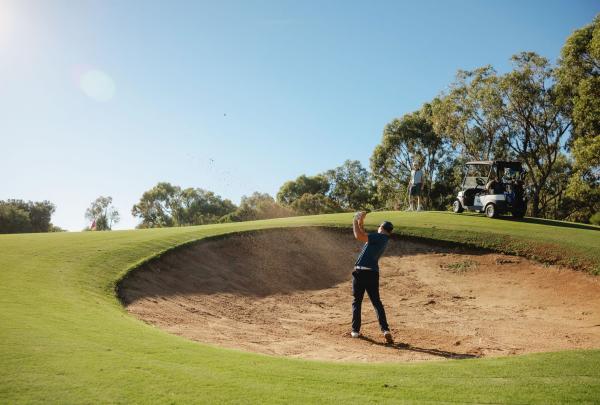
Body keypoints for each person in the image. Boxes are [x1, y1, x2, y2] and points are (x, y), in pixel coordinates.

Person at [351, 211, 394, 344]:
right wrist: (360, 222)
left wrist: (354, 220)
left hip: (361, 273)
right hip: (372, 273)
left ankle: (355, 331)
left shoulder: (379, 237)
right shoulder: (381, 239)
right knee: (376, 302)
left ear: (381, 228)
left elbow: (359, 235)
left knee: (357, 301)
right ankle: (385, 330)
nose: (377, 228)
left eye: (379, 227)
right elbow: (363, 233)